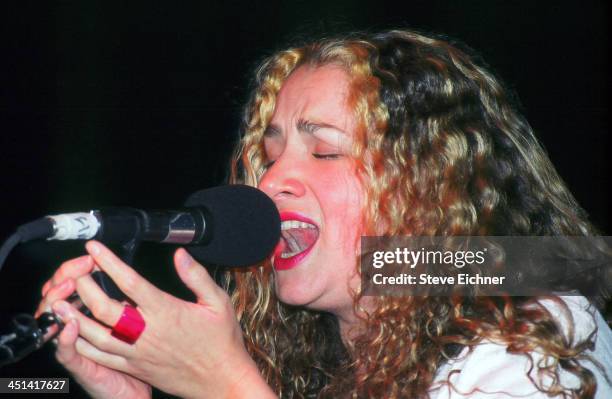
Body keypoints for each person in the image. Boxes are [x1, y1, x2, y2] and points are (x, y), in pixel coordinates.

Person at [35, 30, 611, 398]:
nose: (271, 181)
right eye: (269, 154)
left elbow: (567, 266)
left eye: (326, 150)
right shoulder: (322, 362)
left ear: (433, 181)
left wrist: (227, 388)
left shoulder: (537, 332)